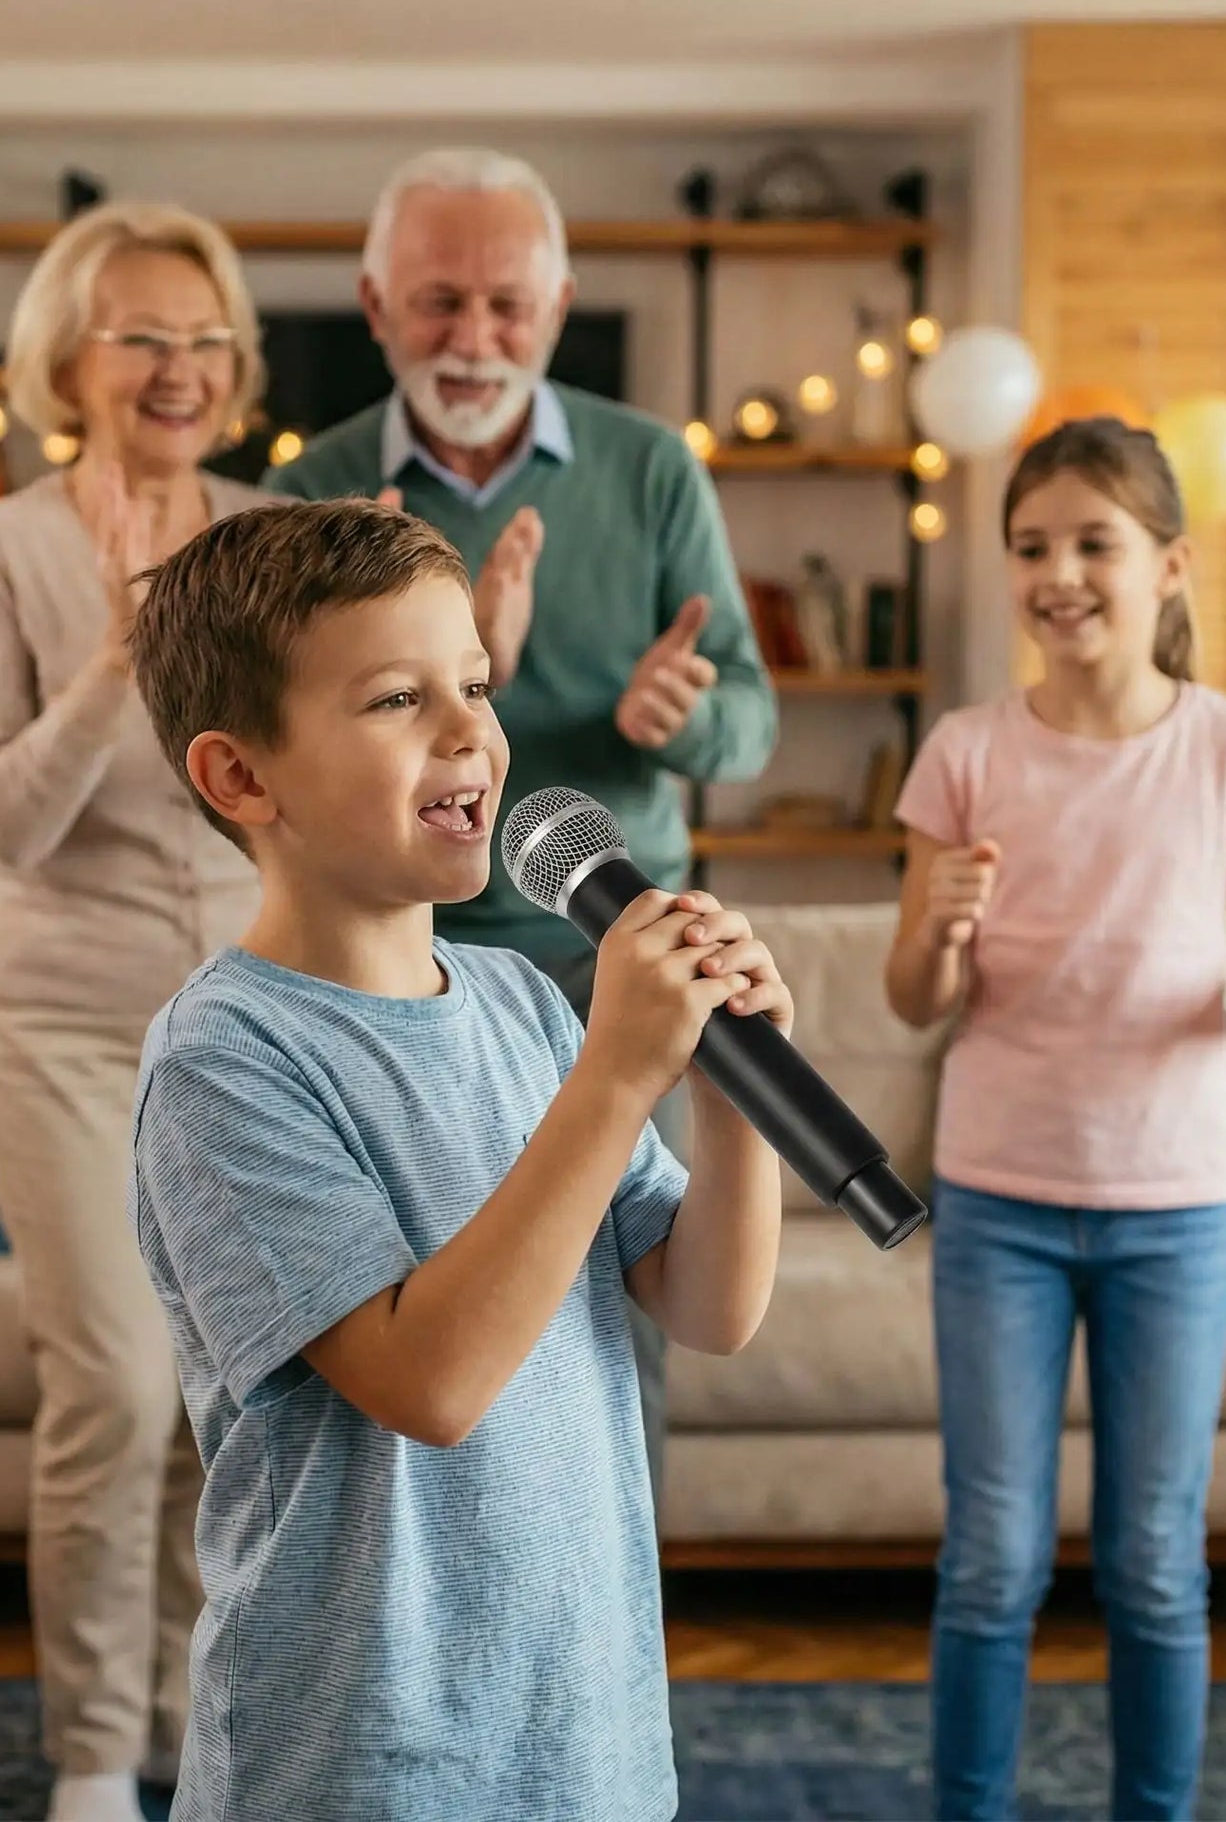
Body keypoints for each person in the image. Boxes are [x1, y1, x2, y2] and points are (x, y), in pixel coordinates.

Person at [123, 495, 786, 1821]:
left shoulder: (524, 1004)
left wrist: (730, 1090)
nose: (469, 730)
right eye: (393, 699)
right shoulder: (223, 1060)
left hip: (579, 1731)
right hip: (362, 1759)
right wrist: (615, 1075)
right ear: (241, 776)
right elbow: (427, 1380)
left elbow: (706, 1305)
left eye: (474, 681)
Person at [264, 147, 778, 1509]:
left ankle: (590, 1606)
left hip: (605, 948)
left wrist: (686, 720)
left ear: (555, 309)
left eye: (506, 304)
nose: (473, 337)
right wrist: (456, 666)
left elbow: (753, 721)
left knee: (610, 1319)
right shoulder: (311, 489)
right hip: (387, 967)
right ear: (375, 307)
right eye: (438, 302)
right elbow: (272, 757)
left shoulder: (650, 468)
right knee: (421, 1318)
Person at [883, 417, 1226, 1822]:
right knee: (989, 1559)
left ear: (1170, 567)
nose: (1058, 572)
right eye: (1031, 546)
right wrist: (945, 933)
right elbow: (912, 998)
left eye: (1093, 542)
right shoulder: (962, 751)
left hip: (1174, 1206)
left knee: (1152, 1558)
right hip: (997, 1202)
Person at [0, 202, 270, 1822]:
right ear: (66, 356)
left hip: (240, 1021)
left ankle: (191, 1729)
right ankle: (87, 1756)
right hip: (62, 1021)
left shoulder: (273, 534)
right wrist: (115, 658)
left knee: (229, 1390)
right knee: (115, 1386)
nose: (180, 368)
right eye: (143, 335)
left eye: (206, 339)